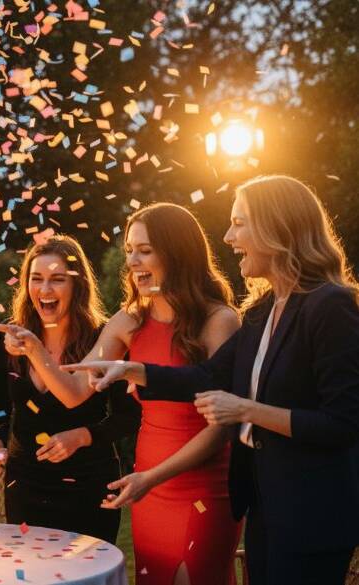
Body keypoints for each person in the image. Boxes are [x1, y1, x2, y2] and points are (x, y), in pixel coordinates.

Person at [67, 176, 359, 585]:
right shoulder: (261, 309)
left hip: (311, 512)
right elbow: (208, 375)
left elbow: (344, 423)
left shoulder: (331, 305)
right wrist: (134, 370)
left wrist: (246, 410)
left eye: (239, 223)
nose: (227, 236)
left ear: (276, 228)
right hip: (264, 505)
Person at [0, 204, 242, 585]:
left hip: (203, 487)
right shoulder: (128, 320)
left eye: (144, 250)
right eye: (129, 250)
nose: (132, 261)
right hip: (147, 490)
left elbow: (224, 424)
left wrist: (152, 476)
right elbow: (76, 391)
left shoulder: (219, 320)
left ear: (177, 251)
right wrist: (34, 348)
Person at [0, 235, 140, 543]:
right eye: (36, 279)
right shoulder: (8, 340)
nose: (45, 290)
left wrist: (81, 436)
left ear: (77, 286)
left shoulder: (104, 337)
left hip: (89, 485)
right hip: (25, 483)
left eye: (57, 280)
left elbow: (129, 417)